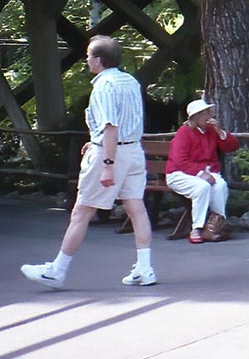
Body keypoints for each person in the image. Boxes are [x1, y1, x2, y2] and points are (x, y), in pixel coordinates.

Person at [21, 35, 156, 289]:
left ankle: (57, 270)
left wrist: (106, 162)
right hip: (134, 151)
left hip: (112, 153)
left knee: (82, 211)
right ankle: (145, 267)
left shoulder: (103, 86)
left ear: (98, 60)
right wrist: (96, 142)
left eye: (88, 56)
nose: (86, 60)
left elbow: (110, 126)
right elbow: (126, 123)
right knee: (136, 207)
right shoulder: (130, 81)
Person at [166, 98, 239, 244]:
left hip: (208, 172)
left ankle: (216, 226)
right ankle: (197, 228)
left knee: (220, 185)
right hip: (179, 173)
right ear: (195, 117)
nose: (209, 116)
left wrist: (220, 131)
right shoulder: (184, 133)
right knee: (202, 187)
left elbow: (231, 146)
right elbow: (180, 160)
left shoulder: (211, 130)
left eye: (209, 112)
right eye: (205, 113)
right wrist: (200, 173)